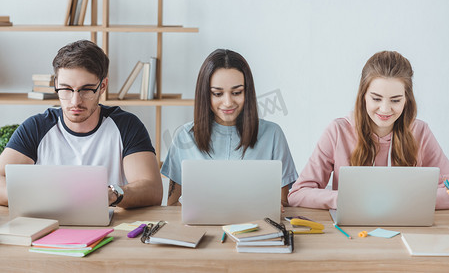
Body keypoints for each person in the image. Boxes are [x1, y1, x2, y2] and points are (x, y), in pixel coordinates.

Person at [0, 40, 163, 208]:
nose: (75, 101)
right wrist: (38, 197)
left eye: (86, 89)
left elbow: (152, 189)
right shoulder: (36, 127)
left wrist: (113, 194)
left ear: (103, 86)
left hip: (109, 228)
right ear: (56, 85)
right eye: (66, 89)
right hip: (50, 225)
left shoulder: (126, 125)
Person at [288, 50, 449, 209]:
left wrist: (406, 200)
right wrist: (345, 199)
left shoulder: (420, 131)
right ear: (363, 95)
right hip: (353, 231)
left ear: (407, 99)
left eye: (395, 100)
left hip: (407, 228)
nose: (385, 109)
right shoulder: (338, 131)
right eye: (376, 98)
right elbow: (298, 193)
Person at [161, 49, 298, 206]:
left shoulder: (273, 134)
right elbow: (171, 205)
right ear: (205, 94)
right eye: (218, 94)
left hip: (258, 228)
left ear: (248, 92)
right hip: (197, 229)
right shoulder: (184, 136)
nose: (228, 102)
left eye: (237, 92)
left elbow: (283, 202)